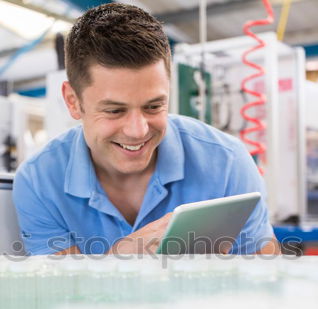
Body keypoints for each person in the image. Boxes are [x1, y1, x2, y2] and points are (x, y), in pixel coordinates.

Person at [13, 3, 280, 256]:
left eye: (153, 107)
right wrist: (122, 258)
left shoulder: (227, 163)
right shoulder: (39, 182)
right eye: (114, 111)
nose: (138, 131)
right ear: (73, 101)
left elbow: (267, 280)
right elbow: (58, 294)